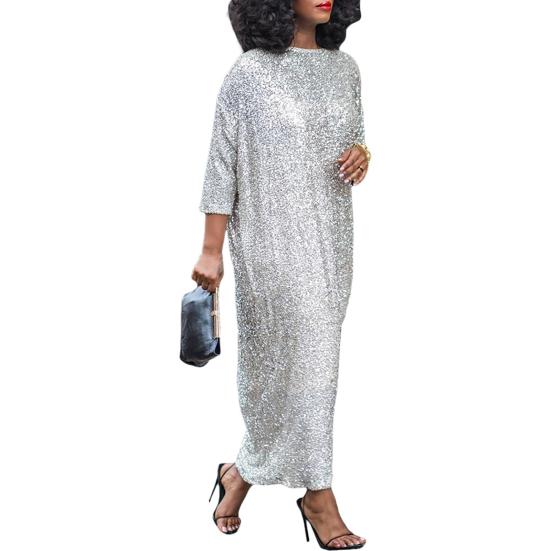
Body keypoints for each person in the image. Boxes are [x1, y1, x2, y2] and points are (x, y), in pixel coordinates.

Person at [192, 0, 370, 548]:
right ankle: (318, 495)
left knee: (301, 369)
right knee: (298, 365)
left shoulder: (346, 70)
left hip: (332, 240)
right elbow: (221, 164)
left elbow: (354, 140)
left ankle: (239, 474)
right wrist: (210, 250)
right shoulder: (248, 74)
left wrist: (362, 155)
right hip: (268, 242)